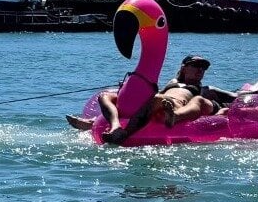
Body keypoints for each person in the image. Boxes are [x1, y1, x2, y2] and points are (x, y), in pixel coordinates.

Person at [71, 55, 218, 144]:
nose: (201, 70)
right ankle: (113, 124)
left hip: (174, 106)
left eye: (204, 68)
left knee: (162, 99)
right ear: (184, 68)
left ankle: (124, 134)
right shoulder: (171, 83)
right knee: (105, 95)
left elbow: (231, 97)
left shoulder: (205, 89)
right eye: (196, 66)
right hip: (157, 102)